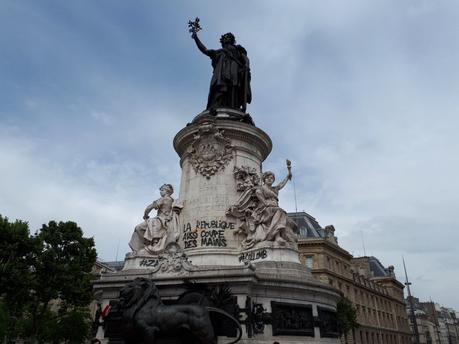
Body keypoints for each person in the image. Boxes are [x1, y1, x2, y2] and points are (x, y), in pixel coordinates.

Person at [192, 31, 251, 113]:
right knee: (220, 87)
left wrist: (247, 66)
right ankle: (217, 104)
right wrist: (196, 38)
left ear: (232, 39)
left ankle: (233, 106)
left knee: (233, 87)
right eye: (225, 37)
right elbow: (205, 50)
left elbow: (245, 59)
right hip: (221, 73)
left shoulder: (238, 49)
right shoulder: (219, 52)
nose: (227, 38)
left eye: (229, 37)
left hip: (234, 70)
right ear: (222, 40)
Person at [251, 170, 296, 245]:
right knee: (280, 211)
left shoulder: (274, 189)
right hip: (265, 209)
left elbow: (282, 184)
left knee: (281, 213)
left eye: (272, 178)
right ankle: (277, 236)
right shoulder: (260, 189)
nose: (269, 179)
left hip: (274, 208)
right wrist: (268, 203)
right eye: (268, 177)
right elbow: (261, 199)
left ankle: (279, 235)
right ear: (264, 179)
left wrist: (288, 176)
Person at [129, 184, 174, 254]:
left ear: (167, 191)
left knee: (138, 228)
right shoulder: (172, 200)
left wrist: (145, 215)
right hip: (164, 220)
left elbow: (149, 208)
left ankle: (140, 248)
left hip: (160, 220)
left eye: (162, 190)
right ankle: (144, 247)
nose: (160, 192)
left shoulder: (163, 199)